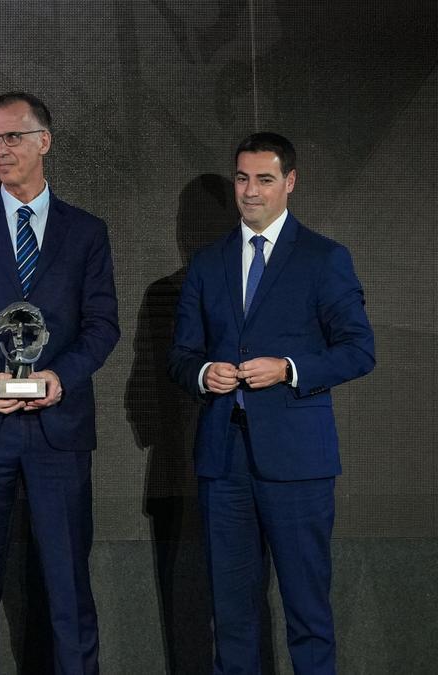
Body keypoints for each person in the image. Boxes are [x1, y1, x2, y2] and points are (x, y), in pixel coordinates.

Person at [0, 92, 119, 674]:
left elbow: (103, 325)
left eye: (12, 137)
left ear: (44, 141)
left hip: (59, 429)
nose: (0, 150)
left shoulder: (86, 231)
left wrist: (62, 375)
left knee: (67, 588)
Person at [168, 133, 374, 672]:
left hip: (298, 463)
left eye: (263, 179)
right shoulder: (207, 264)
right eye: (241, 178)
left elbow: (358, 350)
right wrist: (204, 372)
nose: (250, 191)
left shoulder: (324, 258)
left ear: (290, 183)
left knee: (308, 613)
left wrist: (289, 369)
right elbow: (180, 356)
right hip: (223, 462)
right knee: (231, 616)